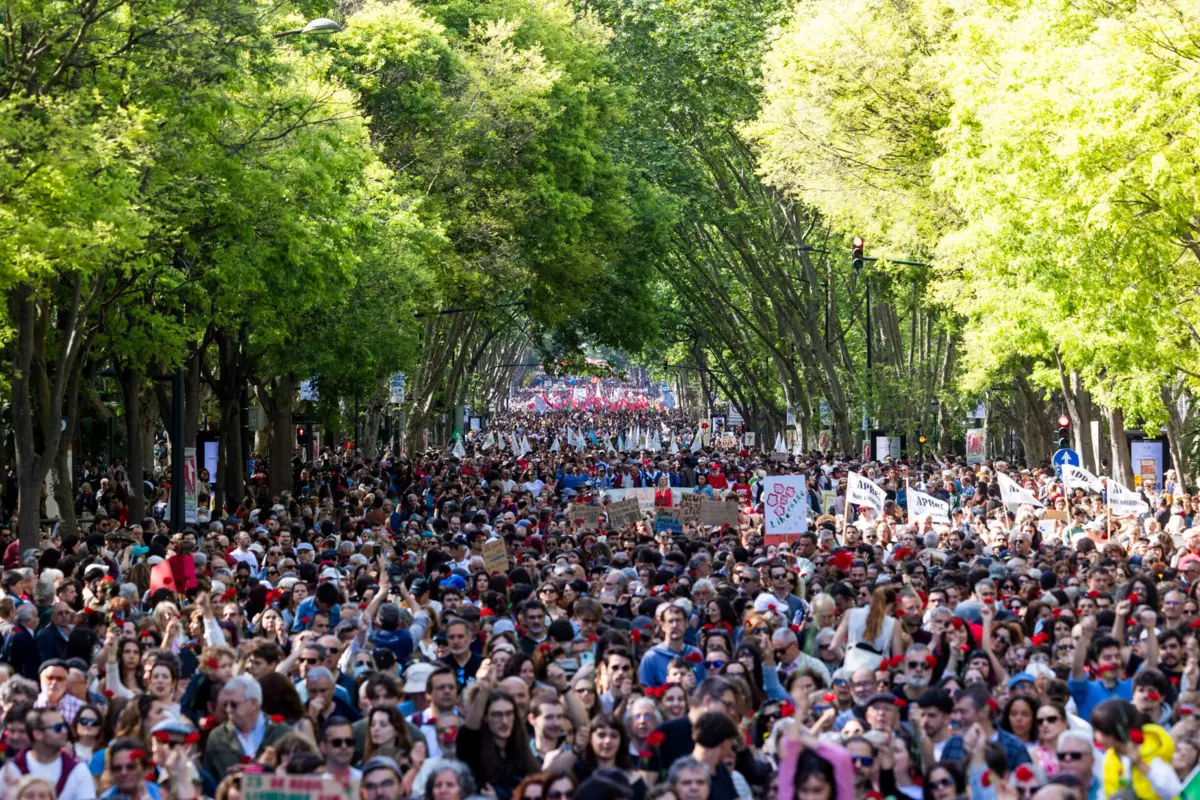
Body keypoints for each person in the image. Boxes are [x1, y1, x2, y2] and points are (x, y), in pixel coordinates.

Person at [200, 675, 289, 778]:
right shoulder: (217, 737)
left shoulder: (282, 734)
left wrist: (262, 770)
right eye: (225, 705)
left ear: (253, 703)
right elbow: (209, 781)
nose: (228, 710)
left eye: (234, 704)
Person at [0, 708, 96, 800]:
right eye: (57, 728)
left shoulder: (78, 770)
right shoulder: (11, 770)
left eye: (64, 726)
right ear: (37, 734)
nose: (64, 731)